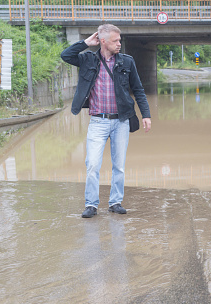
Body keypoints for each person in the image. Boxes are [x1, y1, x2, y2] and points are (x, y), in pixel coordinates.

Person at [61, 24, 151, 218]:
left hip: (121, 122)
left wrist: (146, 115)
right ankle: (91, 205)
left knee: (119, 165)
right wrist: (85, 43)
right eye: (115, 41)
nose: (119, 44)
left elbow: (139, 89)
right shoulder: (87, 59)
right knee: (92, 164)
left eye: (120, 40)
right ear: (103, 41)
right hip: (98, 122)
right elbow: (66, 55)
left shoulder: (127, 62)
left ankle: (115, 202)